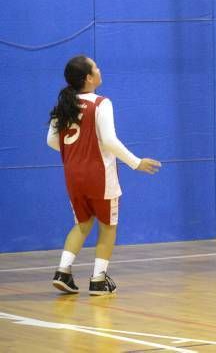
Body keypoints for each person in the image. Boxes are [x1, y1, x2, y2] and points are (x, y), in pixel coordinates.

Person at [48, 55, 161, 296]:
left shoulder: (64, 104)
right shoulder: (101, 103)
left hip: (73, 174)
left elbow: (51, 141)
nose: (100, 69)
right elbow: (109, 141)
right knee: (108, 225)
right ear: (89, 78)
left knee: (82, 223)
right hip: (99, 173)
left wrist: (77, 151)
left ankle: (63, 271)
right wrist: (136, 162)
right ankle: (99, 278)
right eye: (96, 67)